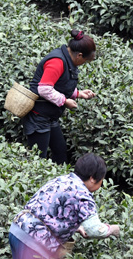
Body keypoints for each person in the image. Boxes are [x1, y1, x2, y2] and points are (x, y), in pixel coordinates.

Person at [8, 153, 120, 259]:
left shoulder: (64, 179)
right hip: (33, 240)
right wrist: (114, 229)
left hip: (17, 229)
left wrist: (76, 227)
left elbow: (54, 209)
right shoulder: (83, 194)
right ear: (92, 179)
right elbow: (95, 230)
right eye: (101, 180)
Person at [24, 30, 97, 165]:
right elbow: (44, 89)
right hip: (38, 116)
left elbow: (60, 84)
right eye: (85, 61)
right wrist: (64, 101)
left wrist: (78, 94)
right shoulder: (57, 61)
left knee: (60, 152)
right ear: (79, 55)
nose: (84, 64)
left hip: (50, 116)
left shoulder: (67, 59)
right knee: (38, 158)